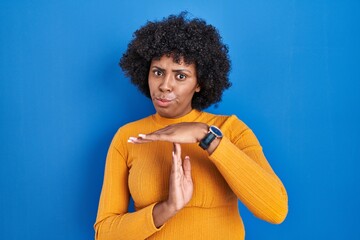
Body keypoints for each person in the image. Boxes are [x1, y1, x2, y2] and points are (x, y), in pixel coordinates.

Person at [94, 12, 288, 240]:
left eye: (181, 76)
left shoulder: (231, 129)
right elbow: (104, 233)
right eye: (158, 72)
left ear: (200, 83)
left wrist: (206, 136)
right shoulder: (127, 137)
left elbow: (275, 210)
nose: (165, 85)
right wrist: (167, 208)